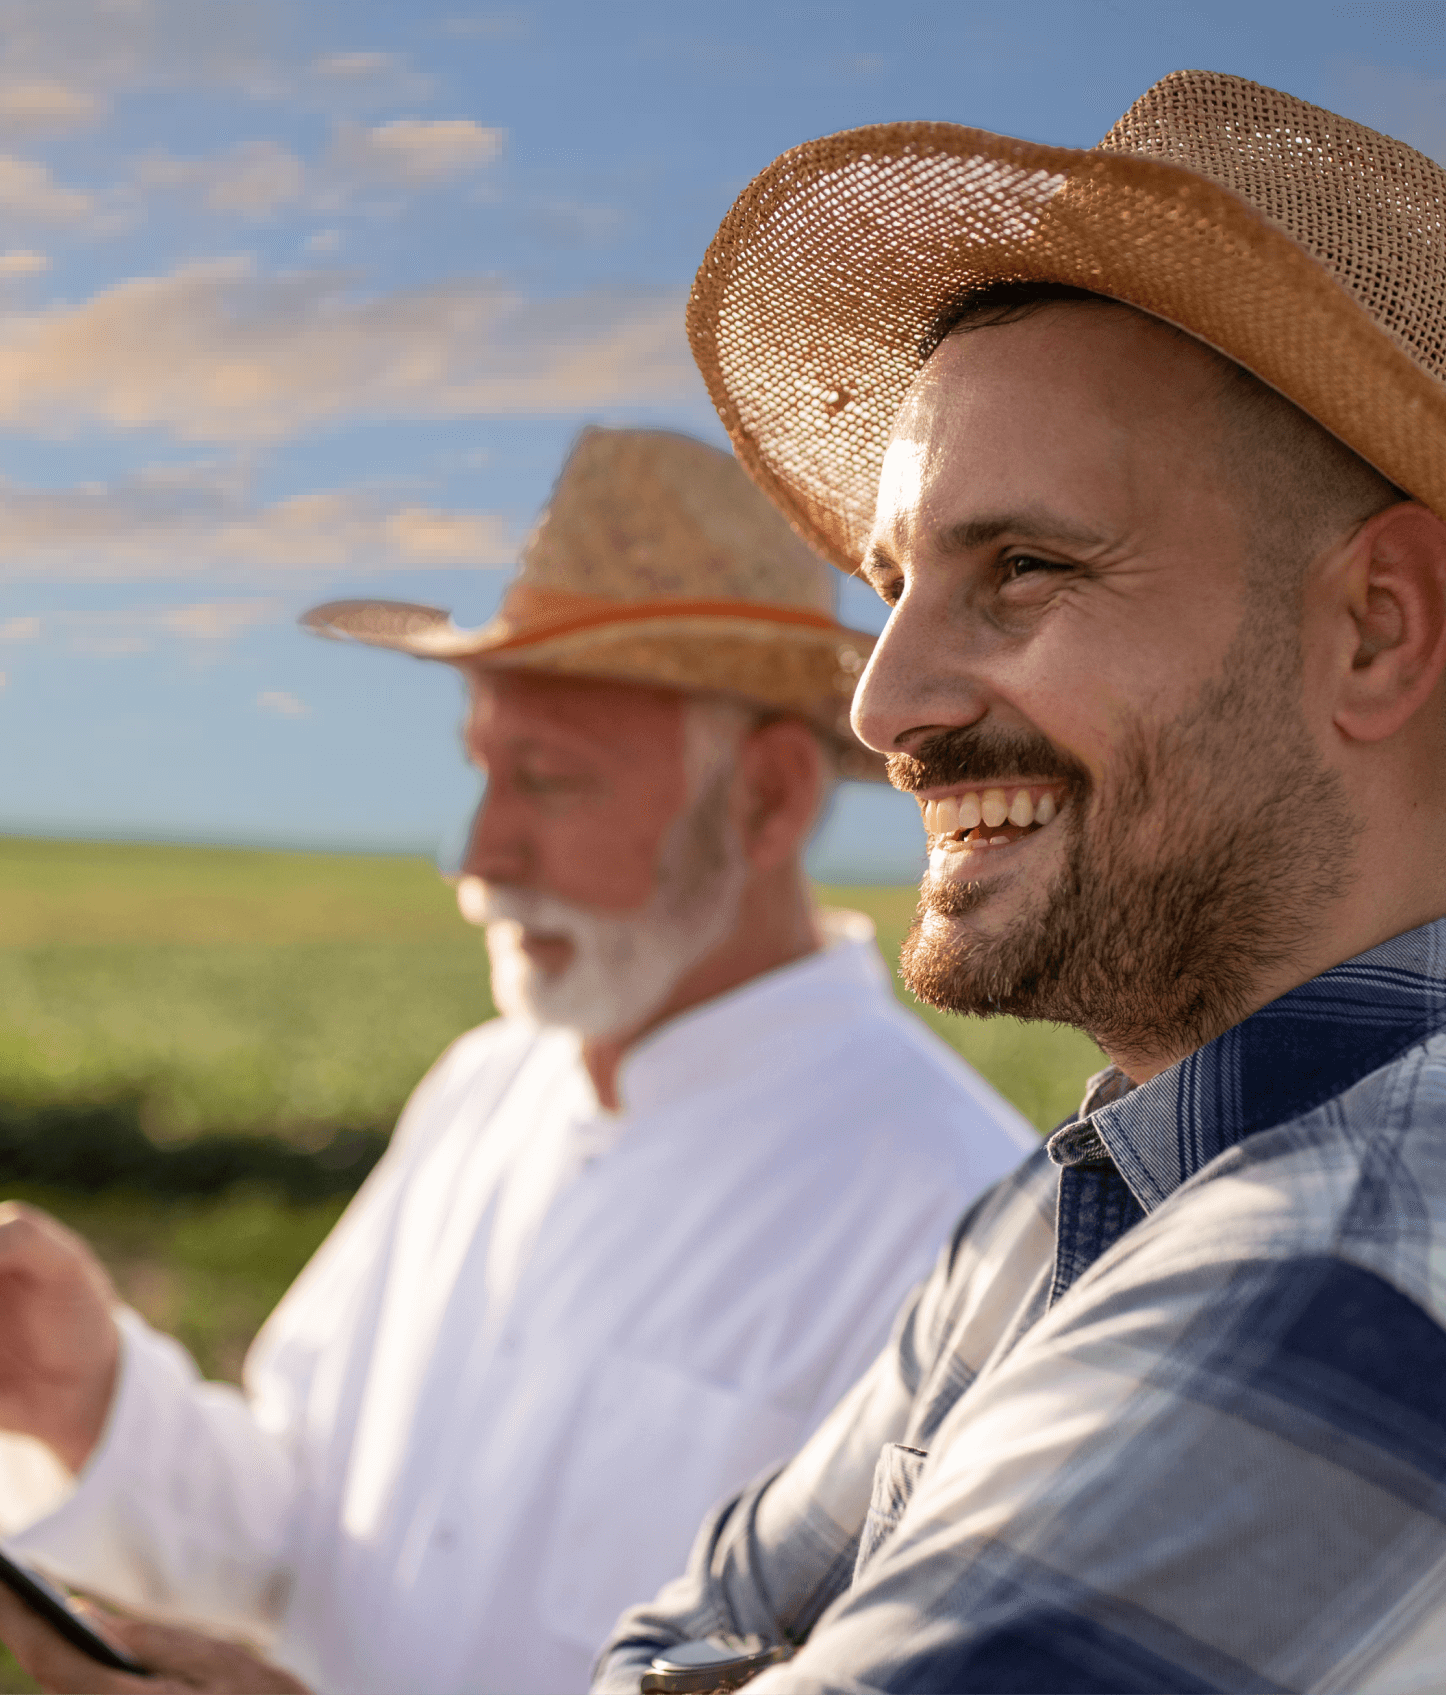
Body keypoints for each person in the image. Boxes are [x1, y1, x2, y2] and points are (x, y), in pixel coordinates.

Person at [0, 426, 1035, 1695]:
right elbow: (302, 1521)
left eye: (550, 782)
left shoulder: (956, 1222)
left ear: (768, 801)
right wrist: (85, 1399)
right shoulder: (484, 1087)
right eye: (483, 773)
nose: (478, 856)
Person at [592, 70, 1446, 1693]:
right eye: (897, 584)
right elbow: (677, 1626)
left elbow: (675, 1648)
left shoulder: (1351, 1261)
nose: (881, 705)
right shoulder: (1105, 1182)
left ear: (1377, 627)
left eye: (1028, 571)